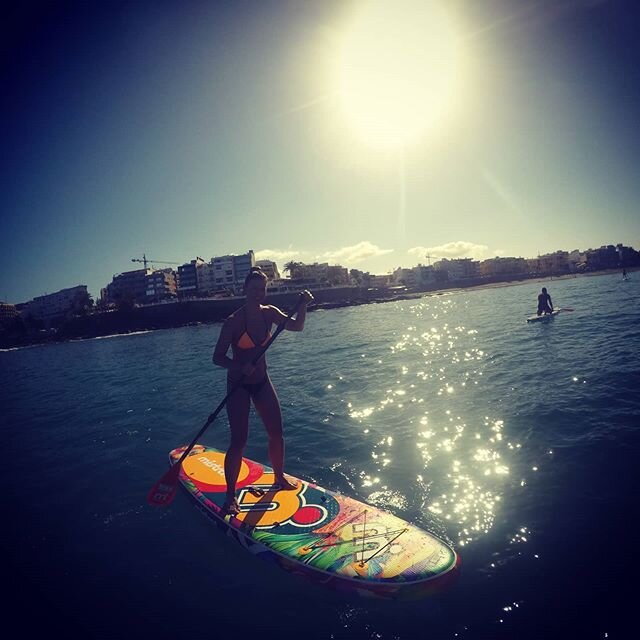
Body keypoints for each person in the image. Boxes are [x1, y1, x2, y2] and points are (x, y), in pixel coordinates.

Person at [212, 267, 314, 515]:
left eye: (262, 289)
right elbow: (217, 357)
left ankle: (278, 478)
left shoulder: (270, 314)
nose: (259, 293)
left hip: (262, 382)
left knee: (276, 433)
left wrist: (303, 304)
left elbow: (297, 327)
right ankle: (230, 496)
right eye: (254, 289)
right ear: (245, 290)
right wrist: (239, 365)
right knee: (239, 441)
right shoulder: (233, 322)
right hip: (238, 385)